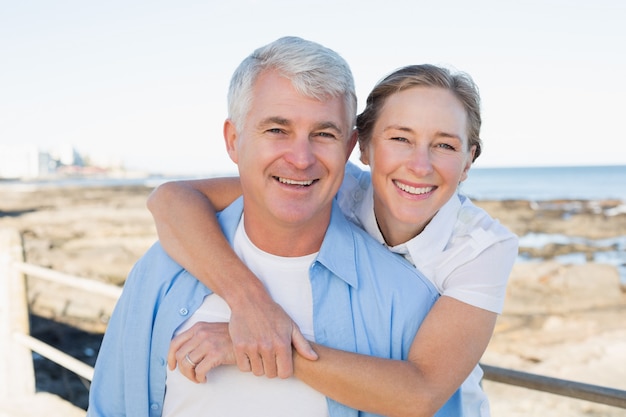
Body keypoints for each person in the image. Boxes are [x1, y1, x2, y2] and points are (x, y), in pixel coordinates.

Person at [87, 36, 462, 416]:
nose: (300, 159)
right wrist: (250, 301)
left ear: (349, 148)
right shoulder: (162, 271)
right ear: (234, 141)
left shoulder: (405, 301)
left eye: (323, 134)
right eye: (277, 130)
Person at [147, 63, 519, 415]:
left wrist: (264, 343)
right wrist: (249, 301)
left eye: (445, 146)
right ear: (364, 148)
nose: (420, 165)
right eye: (401, 138)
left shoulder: (482, 248)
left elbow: (419, 395)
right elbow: (171, 199)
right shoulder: (333, 186)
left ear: (468, 161)